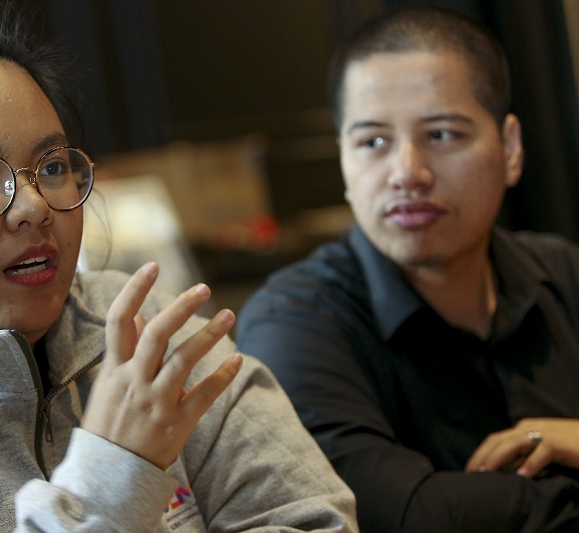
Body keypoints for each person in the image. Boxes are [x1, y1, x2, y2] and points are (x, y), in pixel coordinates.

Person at [0, 9, 358, 532]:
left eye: (51, 166)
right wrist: (112, 478)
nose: (34, 206)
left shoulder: (140, 329)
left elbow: (312, 521)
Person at [237, 5, 579, 533]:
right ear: (345, 164)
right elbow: (407, 518)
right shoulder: (294, 324)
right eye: (373, 142)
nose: (406, 173)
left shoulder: (565, 273)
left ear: (510, 149)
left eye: (442, 135)